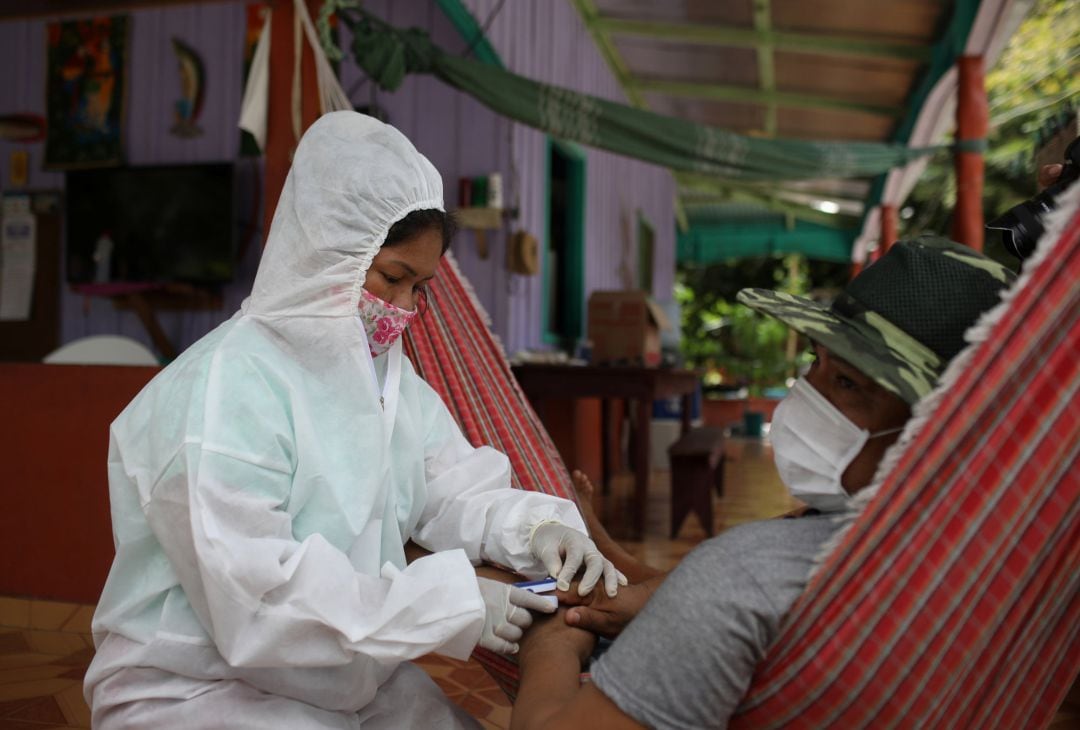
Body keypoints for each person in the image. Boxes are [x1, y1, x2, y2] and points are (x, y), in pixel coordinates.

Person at [83, 111, 623, 730]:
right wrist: (452, 599)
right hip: (199, 687)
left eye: (419, 288)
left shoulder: (386, 379)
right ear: (327, 255)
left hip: (342, 674)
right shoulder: (218, 395)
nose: (403, 309)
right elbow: (257, 606)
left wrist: (539, 529)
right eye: (392, 277)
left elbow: (452, 487)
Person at [510, 235, 1018, 729]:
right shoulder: (992, 558)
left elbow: (717, 588)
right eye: (815, 362)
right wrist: (612, 553)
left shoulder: (747, 577)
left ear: (939, 427)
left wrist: (549, 646)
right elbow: (692, 588)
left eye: (847, 383)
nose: (805, 396)